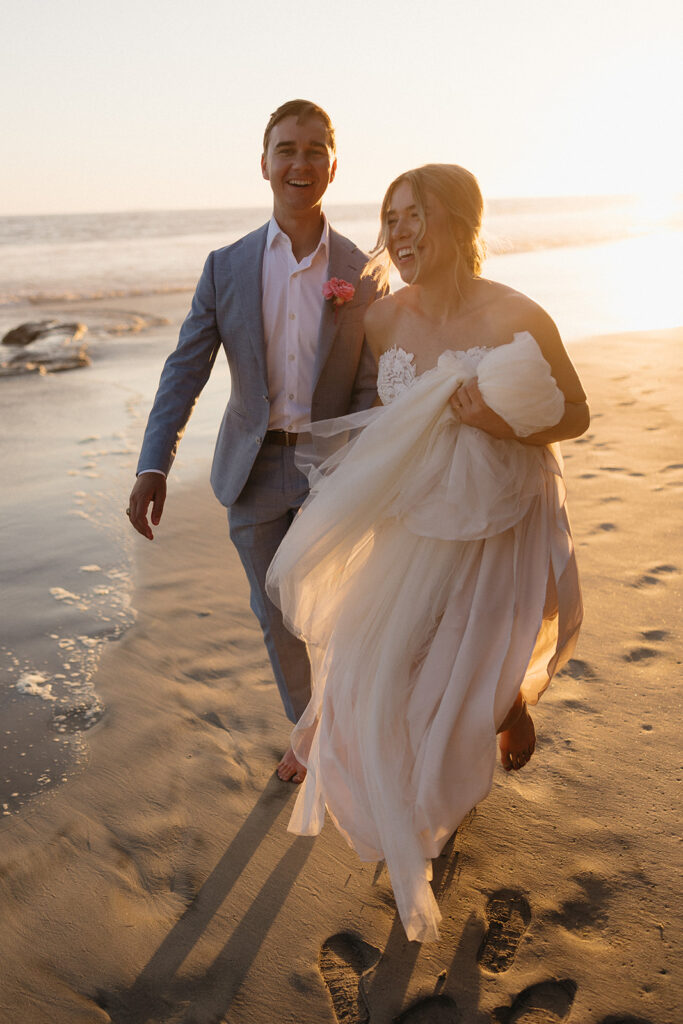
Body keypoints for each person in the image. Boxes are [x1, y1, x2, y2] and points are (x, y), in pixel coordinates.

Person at [266, 163, 589, 941]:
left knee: (469, 667)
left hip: (501, 518)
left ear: (461, 222)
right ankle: (410, 813)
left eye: (414, 216)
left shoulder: (520, 314)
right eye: (389, 219)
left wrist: (500, 426)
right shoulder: (381, 321)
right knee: (381, 672)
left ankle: (502, 713)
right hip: (414, 520)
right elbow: (362, 416)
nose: (398, 234)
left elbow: (575, 414)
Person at [126, 100, 385, 783]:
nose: (299, 163)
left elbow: (368, 383)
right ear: (264, 163)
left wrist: (353, 460)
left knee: (333, 613)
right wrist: (154, 461)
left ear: (333, 164)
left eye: (313, 150)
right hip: (253, 467)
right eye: (285, 149)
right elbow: (185, 369)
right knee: (276, 618)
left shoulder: (362, 272)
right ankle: (311, 733)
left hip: (333, 470)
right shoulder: (226, 266)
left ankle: (340, 727)